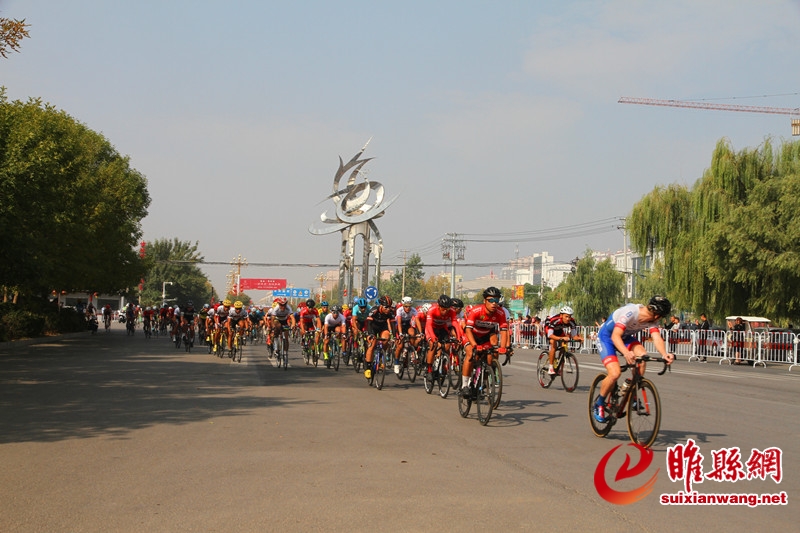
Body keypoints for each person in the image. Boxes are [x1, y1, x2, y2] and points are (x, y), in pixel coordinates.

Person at [592, 296, 675, 423]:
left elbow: (656, 337)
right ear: (657, 315)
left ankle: (632, 392)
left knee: (642, 356)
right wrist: (626, 353)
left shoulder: (652, 320)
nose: (660, 319)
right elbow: (615, 336)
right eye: (662, 316)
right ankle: (599, 404)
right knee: (615, 373)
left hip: (625, 338)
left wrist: (664, 354)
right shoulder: (630, 312)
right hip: (607, 338)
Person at [460, 287, 508, 394]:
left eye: (496, 300)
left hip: (485, 336)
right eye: (491, 300)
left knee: (490, 357)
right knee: (470, 354)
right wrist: (474, 345)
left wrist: (503, 347)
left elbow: (504, 331)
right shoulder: (476, 311)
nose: (494, 303)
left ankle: (483, 381)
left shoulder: (500, 313)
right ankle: (464, 385)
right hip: (471, 335)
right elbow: (468, 330)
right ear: (484, 301)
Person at [424, 295, 464, 380]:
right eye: (443, 309)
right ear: (438, 306)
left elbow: (455, 323)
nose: (445, 311)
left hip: (442, 328)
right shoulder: (432, 310)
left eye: (447, 309)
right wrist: (433, 337)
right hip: (431, 328)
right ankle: (429, 369)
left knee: (447, 346)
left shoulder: (452, 311)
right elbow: (429, 325)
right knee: (433, 345)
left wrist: (459, 337)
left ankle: (443, 364)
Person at [364, 295, 396, 380]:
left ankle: (382, 356)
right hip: (372, 328)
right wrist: (370, 334)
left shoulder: (390, 312)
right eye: (386, 307)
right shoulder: (374, 310)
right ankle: (368, 367)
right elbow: (369, 323)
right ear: (381, 306)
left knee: (387, 337)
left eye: (389, 307)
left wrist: (394, 337)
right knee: (372, 344)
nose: (388, 309)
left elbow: (393, 325)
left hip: (382, 327)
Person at [545, 306, 579, 375]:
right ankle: (550, 367)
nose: (568, 319)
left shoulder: (571, 321)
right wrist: (561, 338)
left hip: (559, 329)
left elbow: (574, 336)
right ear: (561, 315)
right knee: (553, 343)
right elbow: (550, 335)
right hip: (549, 328)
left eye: (569, 317)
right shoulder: (555, 320)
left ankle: (558, 364)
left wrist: (579, 339)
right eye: (566, 316)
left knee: (564, 344)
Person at [394, 296, 422, 374]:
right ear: (403, 306)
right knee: (400, 345)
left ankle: (412, 350)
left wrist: (421, 332)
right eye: (406, 306)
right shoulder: (399, 310)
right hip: (399, 326)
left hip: (407, 325)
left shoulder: (413, 310)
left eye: (409, 306)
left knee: (412, 333)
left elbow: (417, 321)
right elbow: (399, 323)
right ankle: (396, 362)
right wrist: (400, 334)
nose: (408, 308)